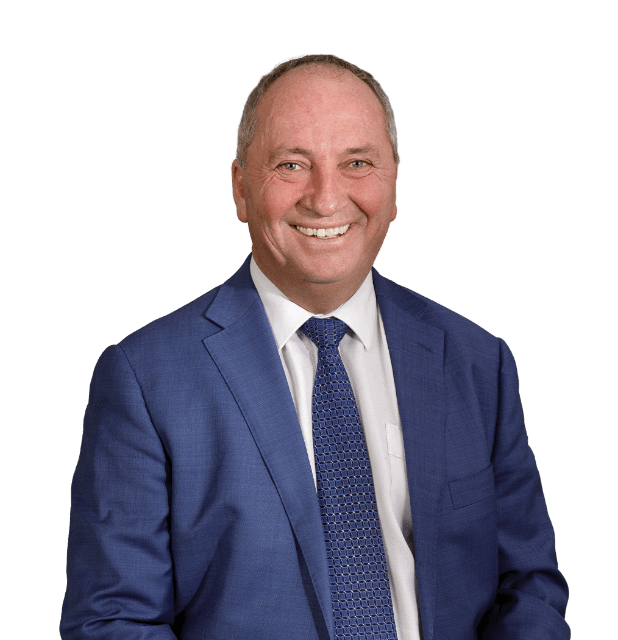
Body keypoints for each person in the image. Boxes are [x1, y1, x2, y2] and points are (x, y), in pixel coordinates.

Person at [60, 54, 570, 640]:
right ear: (240, 188)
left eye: (357, 163)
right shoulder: (146, 378)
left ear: (394, 184)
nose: (326, 199)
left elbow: (529, 586)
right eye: (291, 165)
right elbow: (114, 622)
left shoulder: (478, 361)